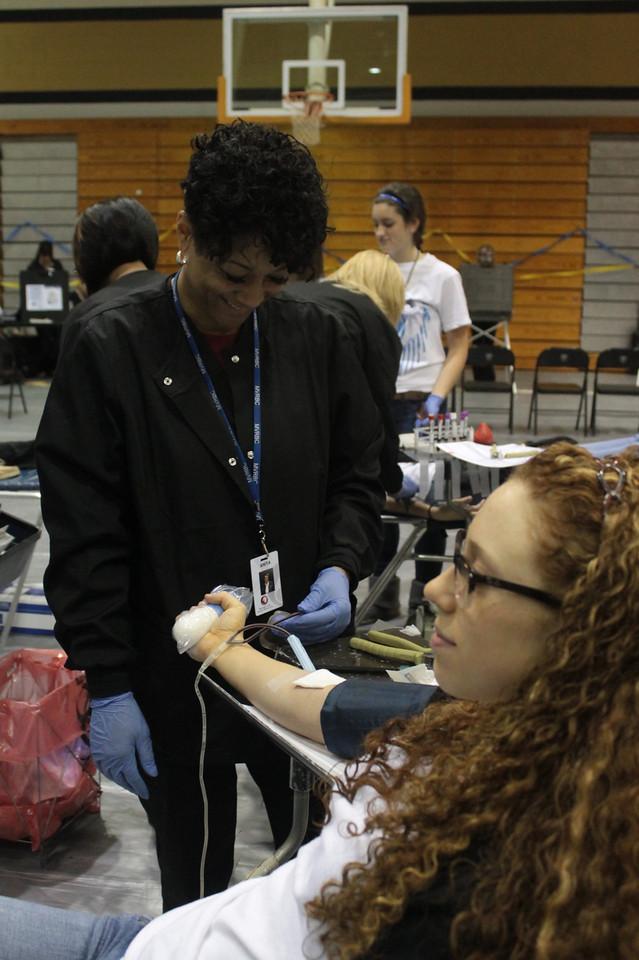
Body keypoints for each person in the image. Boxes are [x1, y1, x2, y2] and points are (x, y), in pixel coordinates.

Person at [5, 441, 639, 958]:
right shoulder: (473, 720)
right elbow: (307, 698)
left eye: (473, 574)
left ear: (582, 628)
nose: (439, 589)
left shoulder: (496, 891)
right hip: (158, 941)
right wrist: (220, 646)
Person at [35, 120, 385, 911]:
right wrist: (109, 682)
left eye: (274, 282)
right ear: (185, 234)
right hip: (169, 672)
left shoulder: (311, 336)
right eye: (234, 276)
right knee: (194, 877)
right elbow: (86, 535)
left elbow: (361, 473)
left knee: (324, 856)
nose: (251, 300)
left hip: (290, 649)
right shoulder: (110, 346)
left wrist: (341, 560)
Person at [369, 182, 472, 624]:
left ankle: (422, 599)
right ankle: (382, 593)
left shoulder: (443, 275)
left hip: (423, 405)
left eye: (388, 224)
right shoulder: (372, 273)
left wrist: (436, 394)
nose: (379, 233)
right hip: (381, 404)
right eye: (374, 225)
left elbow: (460, 344)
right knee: (381, 500)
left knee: (432, 506)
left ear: (414, 223)